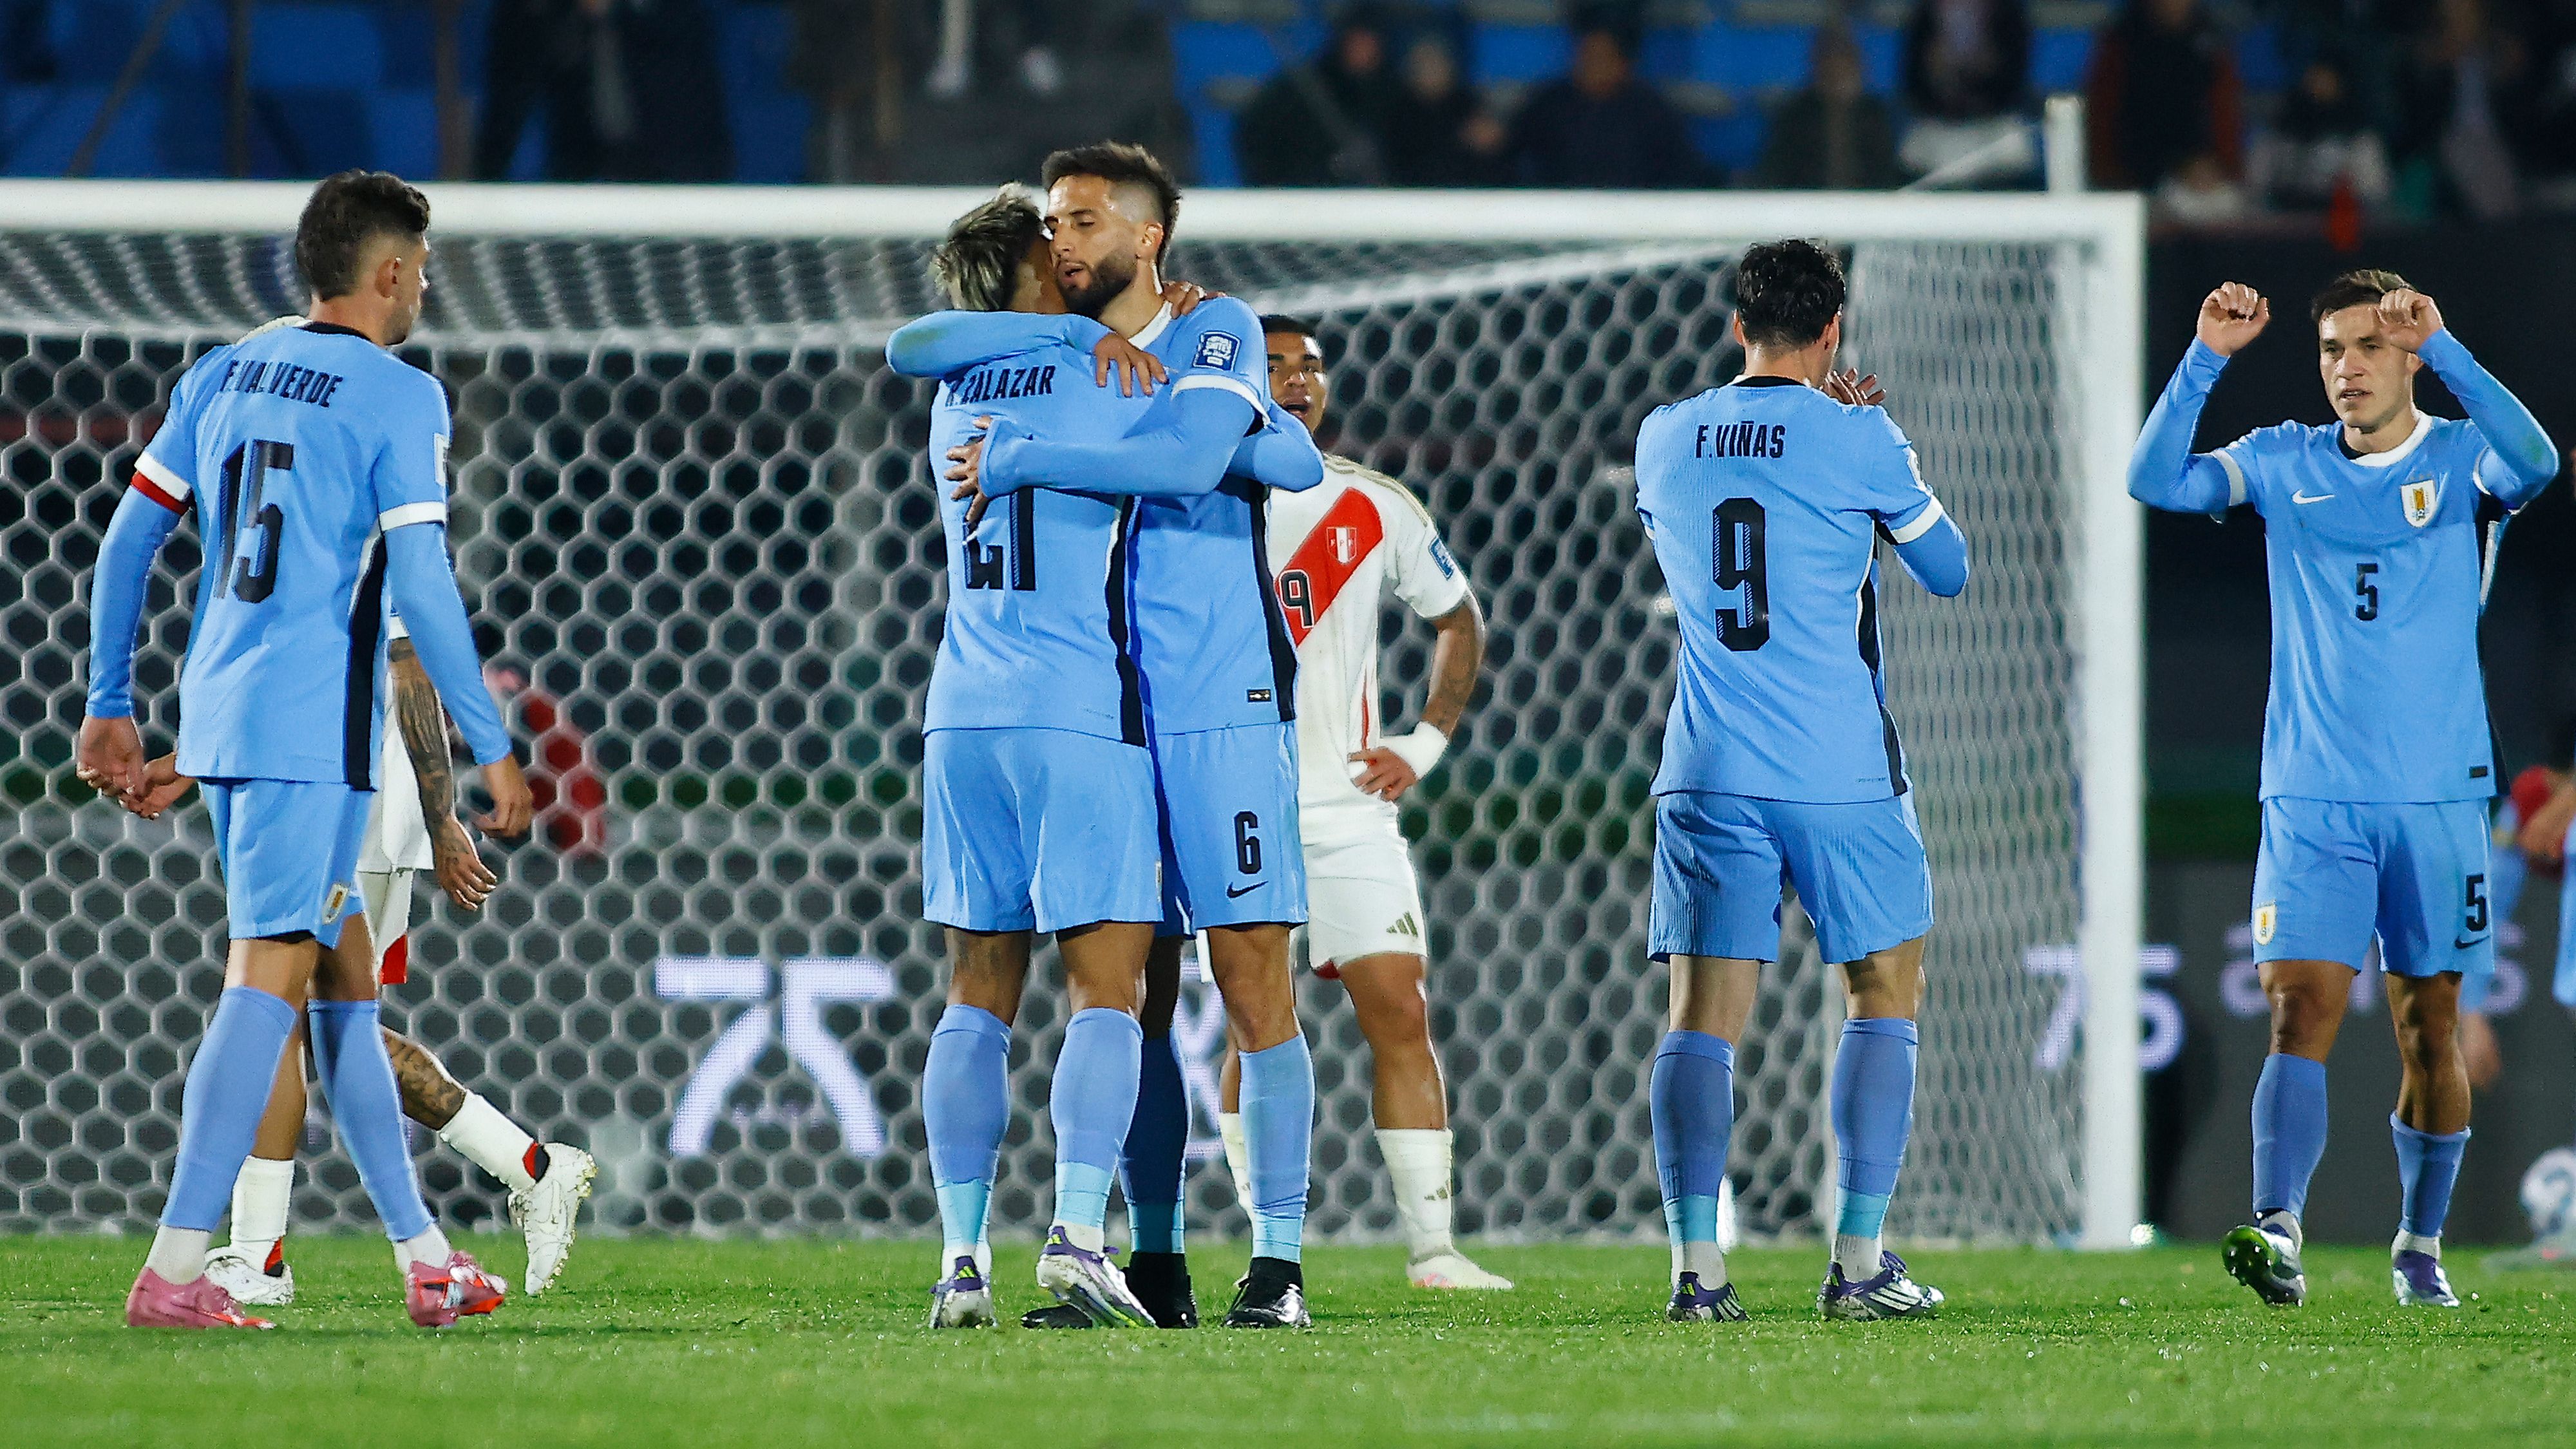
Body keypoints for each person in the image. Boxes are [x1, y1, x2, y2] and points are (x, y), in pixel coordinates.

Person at [79, 171, 534, 1330]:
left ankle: (428, 1261)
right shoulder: (398, 395)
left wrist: (110, 700)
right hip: (311, 733)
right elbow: (423, 587)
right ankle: (179, 1272)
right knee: (265, 986)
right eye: (423, 268)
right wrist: (490, 744)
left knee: (340, 989)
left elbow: (133, 534)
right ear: (389, 274)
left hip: (227, 714)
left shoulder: (222, 371)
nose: (425, 286)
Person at [881, 170, 1325, 1330]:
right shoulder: (1093, 363)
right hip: (1099, 708)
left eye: (1085, 221)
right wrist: (1162, 391)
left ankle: (1273, 1268)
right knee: (1128, 991)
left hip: (1191, 698)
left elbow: (1288, 466)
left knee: (1245, 980)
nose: (1069, 243)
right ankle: (1139, 1253)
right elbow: (1271, 462)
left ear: (1146, 233)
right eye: (1055, 229)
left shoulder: (1206, 326)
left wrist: (1234, 406)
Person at [2125, 271, 2557, 1307]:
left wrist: (2450, 347)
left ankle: (2419, 1243)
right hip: (2313, 792)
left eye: (2370, 346)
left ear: (2409, 356)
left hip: (2440, 796)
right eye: (2331, 349)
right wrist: (2204, 362)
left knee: (2429, 1027)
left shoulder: (2463, 461)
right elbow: (2155, 480)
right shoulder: (2283, 460)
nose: (2348, 367)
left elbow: (2538, 460)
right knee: (2299, 1009)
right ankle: (2279, 1227)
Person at [1632, 240, 1969, 1323]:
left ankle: (1697, 1272)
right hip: (1837, 768)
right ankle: (1860, 1261)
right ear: (1835, 331)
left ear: (1741, 324)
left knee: (1700, 1019)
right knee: (1882, 993)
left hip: (1709, 767)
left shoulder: (1664, 436)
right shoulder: (1859, 433)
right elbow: (1950, 570)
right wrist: (1875, 445)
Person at [113, 607, 596, 1307]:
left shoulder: (354, 523)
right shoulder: (299, 531)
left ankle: (260, 1255)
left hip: (353, 811)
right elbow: (278, 675)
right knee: (308, 1023)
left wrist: (440, 820)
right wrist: (193, 764)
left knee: (284, 1015)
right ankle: (528, 1166)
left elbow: (411, 674)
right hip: (291, 795)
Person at [1180, 315, 1506, 1292]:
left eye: (1311, 365)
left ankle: (1434, 1251)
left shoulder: (1372, 504)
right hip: (1236, 798)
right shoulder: (1197, 493)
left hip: (1350, 811)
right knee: (1257, 1017)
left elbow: (1459, 618)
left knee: (1400, 1008)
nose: (1297, 379)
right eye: (1275, 363)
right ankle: (1269, 1248)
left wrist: (1426, 740)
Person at [473, 0, 732, 182]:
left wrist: (616, 10)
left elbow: (682, 55)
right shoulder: (535, 13)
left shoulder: (672, 17)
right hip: (584, 176)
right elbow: (508, 102)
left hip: (673, 169)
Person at [1501, 12, 1710, 189]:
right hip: (1561, 217)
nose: (1589, 66)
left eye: (1600, 57)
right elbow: (1510, 148)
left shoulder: (1651, 111)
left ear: (1623, 64)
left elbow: (1681, 170)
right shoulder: (1551, 103)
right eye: (1586, 56)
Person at [2084, 0, 2246, 198]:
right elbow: (2102, 127)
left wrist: (2217, 170)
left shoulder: (2212, 45)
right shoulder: (2119, 45)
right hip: (2132, 186)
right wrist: (2119, 182)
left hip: (2201, 187)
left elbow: (2226, 123)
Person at [1234, 6, 1403, 187]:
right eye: (1355, 40)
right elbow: (1256, 133)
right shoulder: (1303, 91)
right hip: (1305, 201)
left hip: (1378, 205)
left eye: (1368, 41)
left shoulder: (1397, 96)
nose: (1361, 49)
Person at [1897, 0, 2034, 183]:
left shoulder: (2008, 16)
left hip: (1995, 128)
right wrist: (1939, 73)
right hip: (1937, 130)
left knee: (2015, 147)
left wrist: (1984, 68)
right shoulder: (1924, 19)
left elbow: (2015, 79)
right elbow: (1912, 82)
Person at [1759, 26, 1906, 189]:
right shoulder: (1795, 116)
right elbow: (1777, 173)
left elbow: (1887, 172)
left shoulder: (1876, 115)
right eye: (1829, 62)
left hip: (1868, 205)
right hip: (1807, 206)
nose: (1837, 70)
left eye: (1844, 62)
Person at [1384, 33, 1510, 187]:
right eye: (1423, 64)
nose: (1431, 70)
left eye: (1436, 62)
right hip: (1414, 198)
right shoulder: (1400, 113)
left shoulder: (1468, 105)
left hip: (1470, 197)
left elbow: (1494, 150)